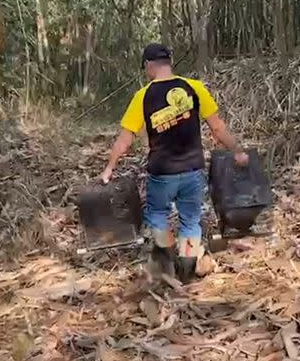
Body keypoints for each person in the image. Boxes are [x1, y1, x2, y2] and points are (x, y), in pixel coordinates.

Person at [100, 43, 249, 282]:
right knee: (190, 219)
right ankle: (188, 268)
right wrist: (238, 151)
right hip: (192, 169)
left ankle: (167, 253)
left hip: (162, 172)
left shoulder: (143, 96)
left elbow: (125, 139)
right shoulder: (194, 88)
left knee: (157, 214)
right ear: (170, 62)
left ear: (148, 65)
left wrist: (109, 168)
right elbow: (218, 127)